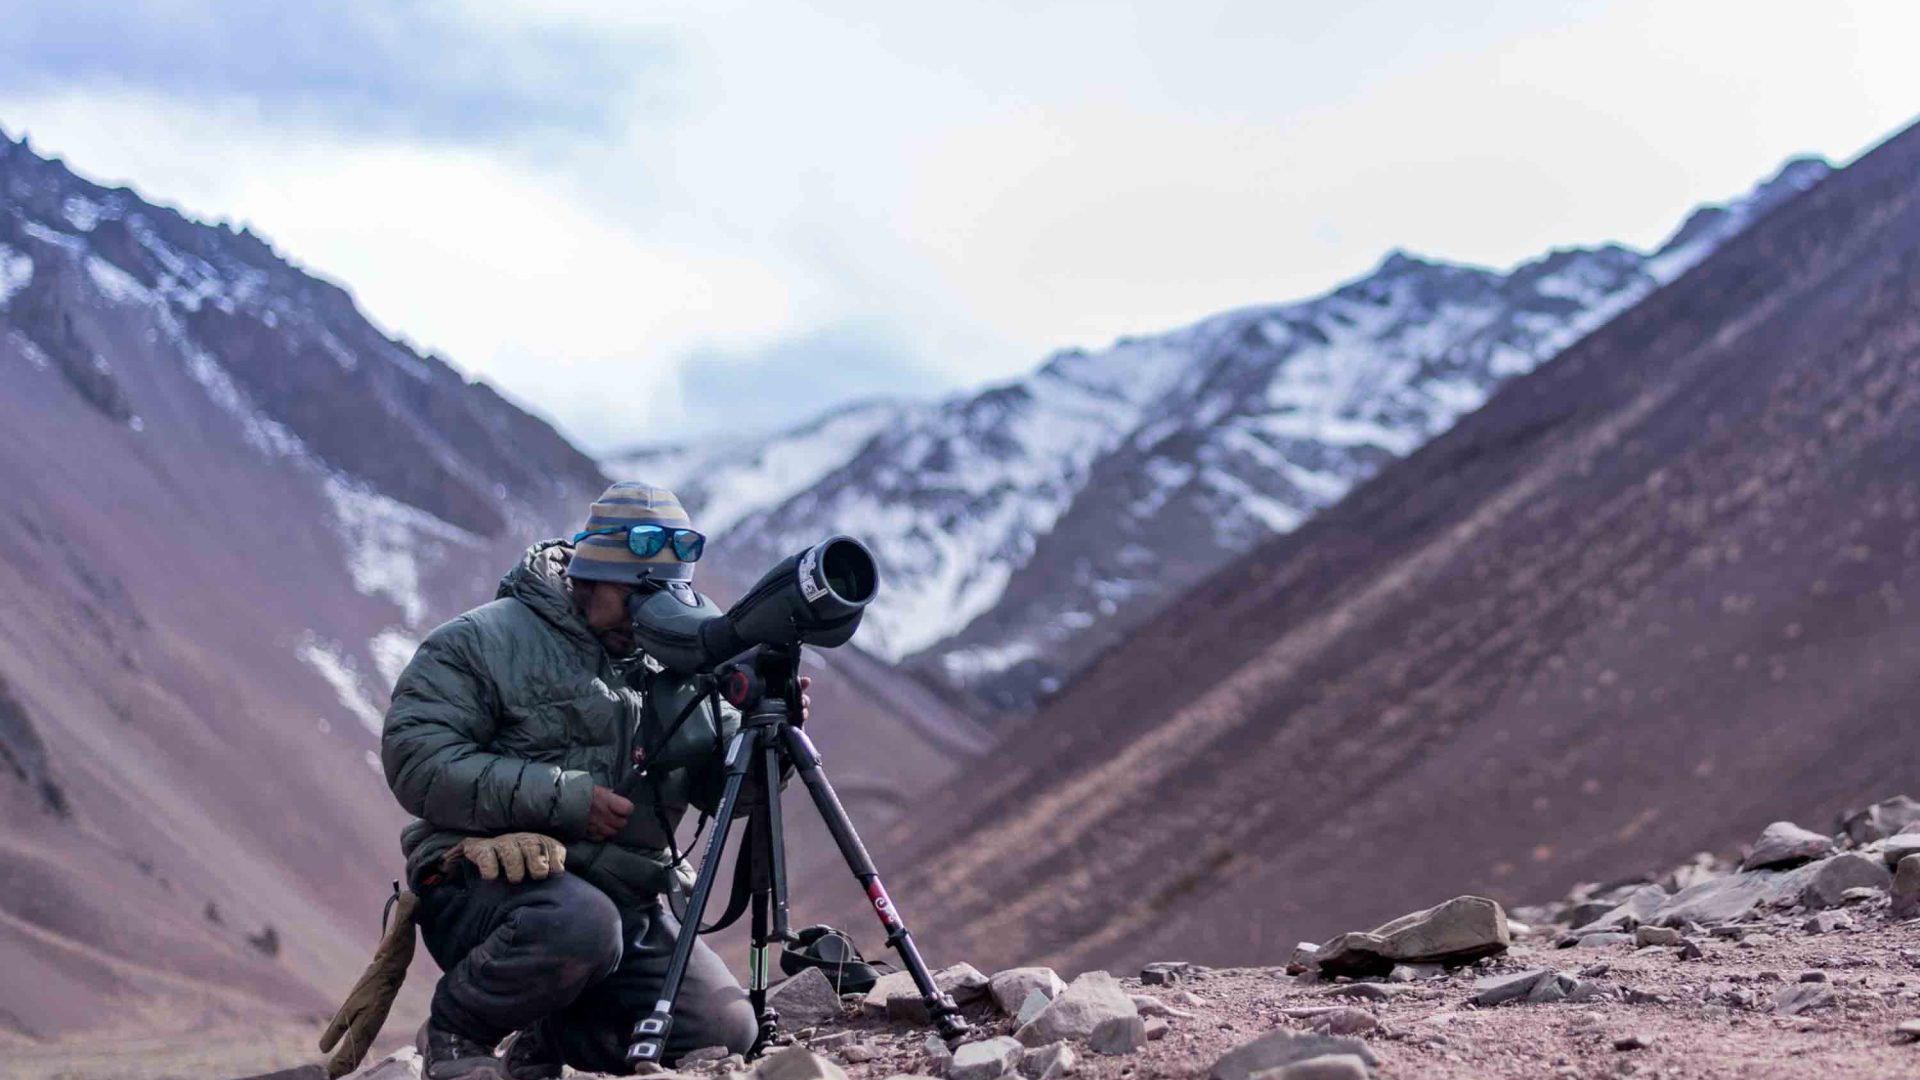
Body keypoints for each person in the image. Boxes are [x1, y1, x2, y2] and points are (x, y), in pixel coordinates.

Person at [376, 481, 807, 1079]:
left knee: (724, 1030)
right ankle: (457, 1033)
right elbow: (415, 760)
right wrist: (563, 797)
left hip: (623, 900)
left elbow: (721, 790)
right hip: (485, 886)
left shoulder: (677, 664)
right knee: (581, 924)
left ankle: (550, 1036)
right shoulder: (482, 640)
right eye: (634, 595)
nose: (646, 615)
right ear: (586, 575)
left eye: (663, 596)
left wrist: (770, 745)